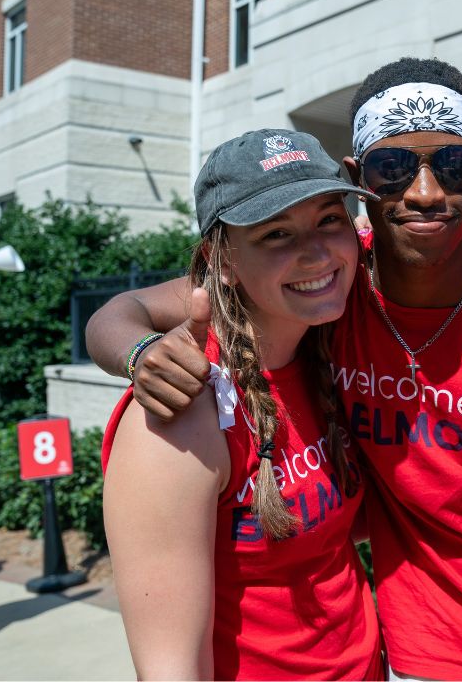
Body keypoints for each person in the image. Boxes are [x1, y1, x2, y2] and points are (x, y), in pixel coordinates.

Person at [88, 58, 462, 680]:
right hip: (416, 655)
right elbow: (121, 311)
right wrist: (139, 352)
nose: (424, 192)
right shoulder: (308, 312)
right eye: (393, 170)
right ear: (361, 177)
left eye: (454, 167)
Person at [101, 129, 383, 679]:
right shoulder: (182, 411)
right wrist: (134, 348)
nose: (317, 251)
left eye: (330, 219)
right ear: (222, 260)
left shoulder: (326, 351)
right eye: (277, 233)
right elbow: (170, 669)